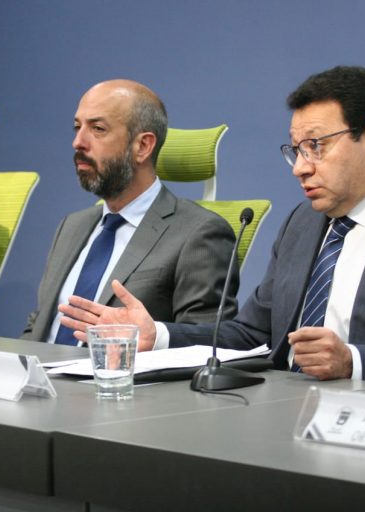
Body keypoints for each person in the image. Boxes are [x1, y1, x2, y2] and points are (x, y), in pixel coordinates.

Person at [58, 66, 365, 393]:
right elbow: (250, 336)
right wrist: (159, 333)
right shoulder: (304, 224)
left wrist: (353, 361)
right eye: (296, 150)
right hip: (281, 412)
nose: (301, 168)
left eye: (317, 147)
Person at [22, 79, 238, 344]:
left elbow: (208, 344)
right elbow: (39, 327)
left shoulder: (198, 233)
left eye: (97, 129)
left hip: (117, 382)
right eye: (77, 127)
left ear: (143, 146)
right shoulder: (71, 226)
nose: (78, 142)